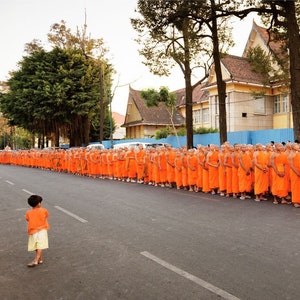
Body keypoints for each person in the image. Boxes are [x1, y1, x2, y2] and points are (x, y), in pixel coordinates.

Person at [25, 195, 50, 267]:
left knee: (36, 245)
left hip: (33, 231)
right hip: (42, 230)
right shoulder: (44, 210)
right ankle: (36, 259)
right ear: (39, 203)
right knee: (40, 245)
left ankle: (39, 259)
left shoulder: (28, 212)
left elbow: (27, 219)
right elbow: (47, 216)